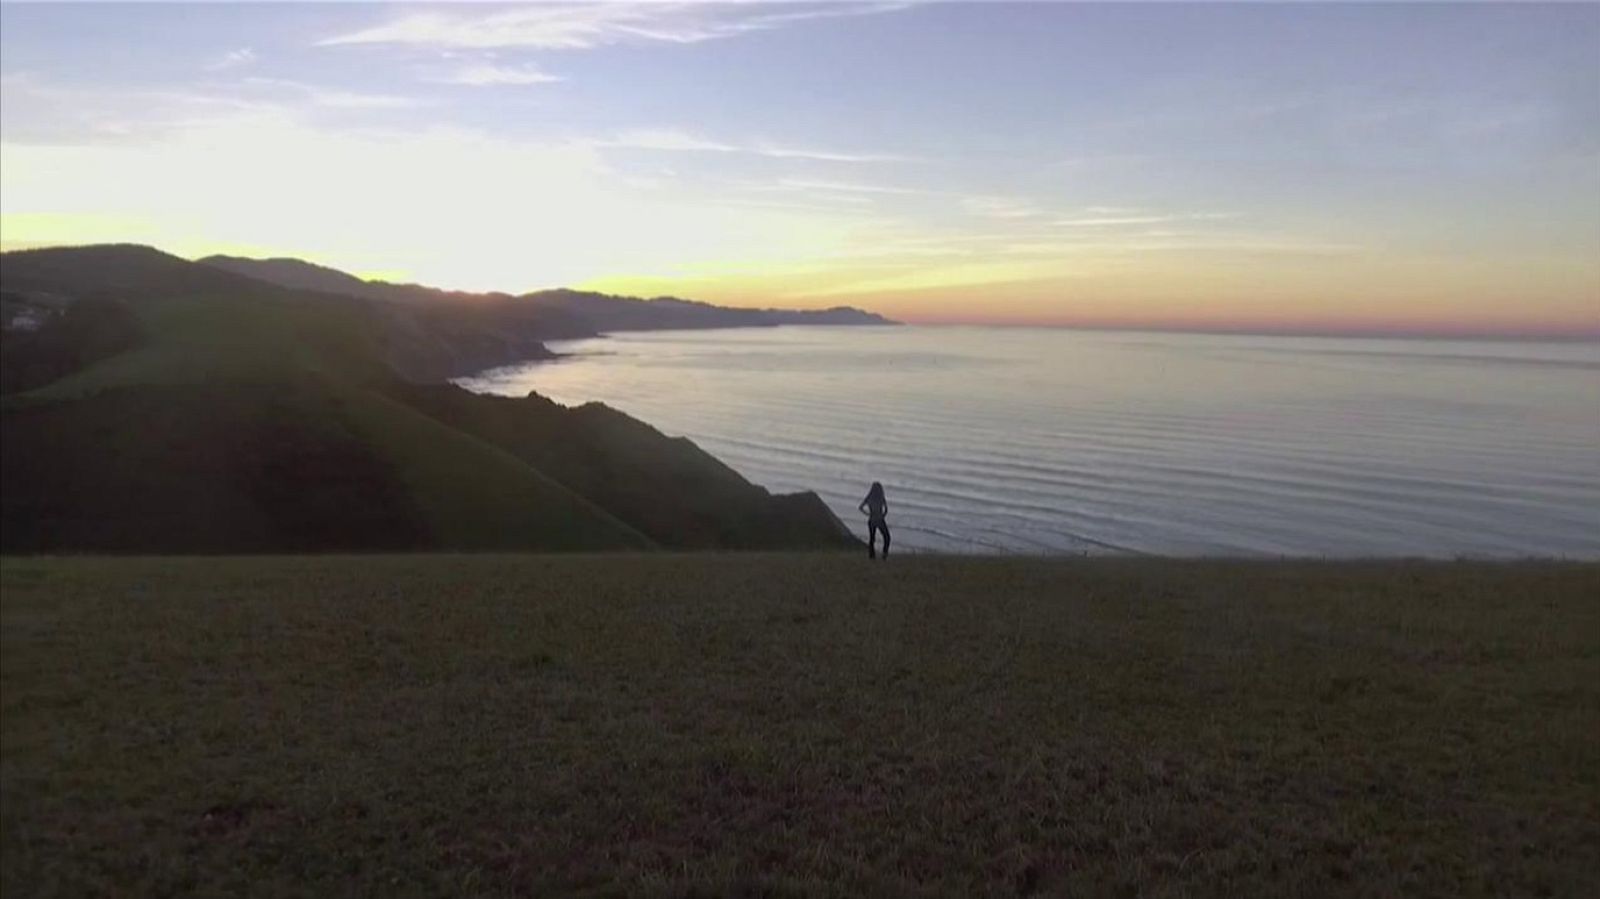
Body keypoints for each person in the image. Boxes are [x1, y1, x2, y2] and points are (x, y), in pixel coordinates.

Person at [858, 481, 891, 559]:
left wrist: (868, 514)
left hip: (872, 519)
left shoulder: (869, 497)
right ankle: (884, 553)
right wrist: (883, 515)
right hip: (879, 519)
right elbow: (886, 509)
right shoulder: (881, 497)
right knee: (887, 537)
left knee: (872, 538)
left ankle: (872, 556)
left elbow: (860, 507)